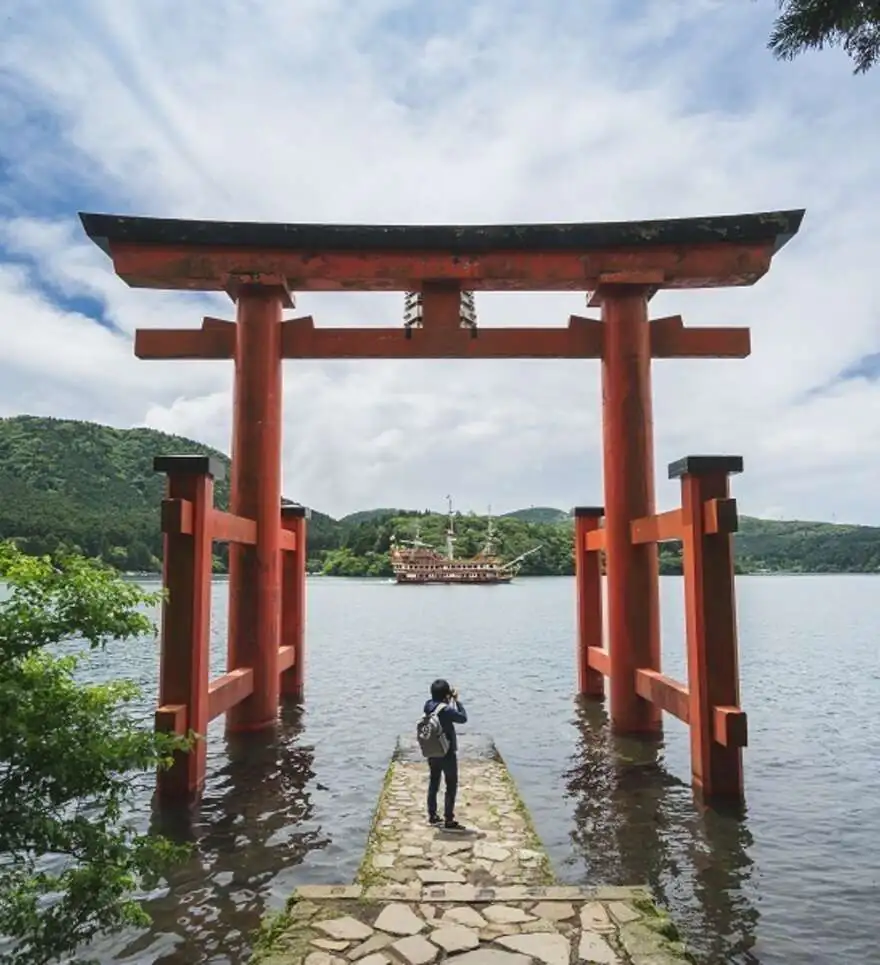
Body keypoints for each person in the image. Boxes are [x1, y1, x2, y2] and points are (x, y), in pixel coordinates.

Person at [424, 678, 468, 831]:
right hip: (447, 753)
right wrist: (457, 701)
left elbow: (439, 708)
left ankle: (432, 815)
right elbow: (463, 718)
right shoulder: (447, 710)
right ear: (446, 694)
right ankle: (449, 818)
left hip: (432, 750)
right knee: (451, 785)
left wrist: (447, 699)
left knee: (434, 782)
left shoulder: (428, 705)